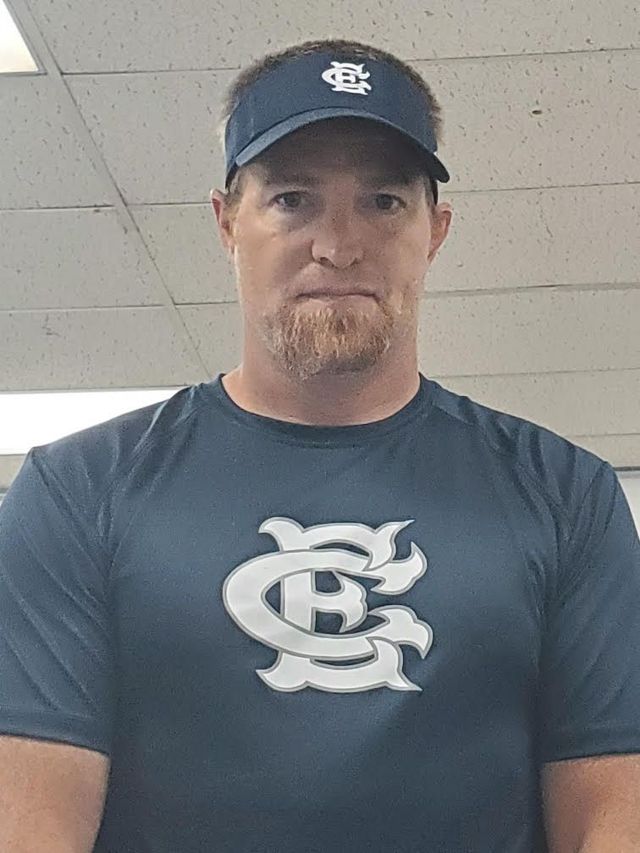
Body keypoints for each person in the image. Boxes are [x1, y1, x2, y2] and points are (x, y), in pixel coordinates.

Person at [0, 37, 639, 853]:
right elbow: (33, 824)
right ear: (227, 222)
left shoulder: (564, 495)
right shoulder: (79, 492)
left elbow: (613, 815)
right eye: (294, 198)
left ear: (435, 230)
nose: (338, 245)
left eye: (383, 202)